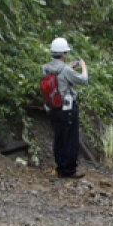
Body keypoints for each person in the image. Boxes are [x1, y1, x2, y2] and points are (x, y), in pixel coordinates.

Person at [42, 37, 89, 178]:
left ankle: (60, 167)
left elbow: (57, 79)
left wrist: (68, 68)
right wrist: (83, 66)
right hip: (67, 109)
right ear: (63, 54)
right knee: (70, 139)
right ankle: (70, 170)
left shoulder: (45, 68)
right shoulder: (65, 70)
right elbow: (83, 80)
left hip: (52, 107)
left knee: (59, 138)